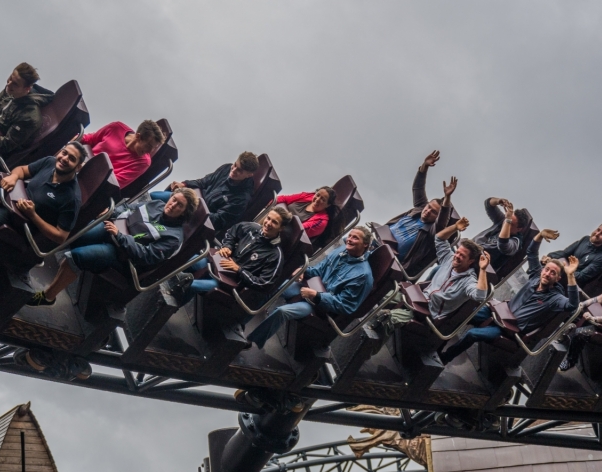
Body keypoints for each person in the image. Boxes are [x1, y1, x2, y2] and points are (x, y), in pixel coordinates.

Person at [26, 188, 200, 307]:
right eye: (174, 199)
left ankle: (48, 297)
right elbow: (128, 208)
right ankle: (32, 259)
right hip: (114, 231)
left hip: (124, 257)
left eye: (179, 205)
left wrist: (121, 237)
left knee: (77, 256)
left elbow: (146, 256)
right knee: (76, 233)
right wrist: (112, 213)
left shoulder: (174, 237)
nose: (173, 205)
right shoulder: (157, 205)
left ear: (184, 212)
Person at [439, 228, 579, 364]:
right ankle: (437, 345)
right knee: (461, 311)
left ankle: (445, 358)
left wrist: (571, 275)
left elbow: (572, 305)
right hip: (498, 312)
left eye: (552, 273)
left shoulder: (556, 298)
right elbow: (531, 252)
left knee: (472, 334)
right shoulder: (536, 276)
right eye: (546, 270)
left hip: (508, 330)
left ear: (558, 278)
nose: (547, 274)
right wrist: (540, 236)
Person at [246, 227, 375, 349]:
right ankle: (244, 320)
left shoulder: (363, 276)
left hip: (320, 307)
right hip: (308, 288)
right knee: (275, 286)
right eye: (350, 236)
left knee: (282, 312)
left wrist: (317, 296)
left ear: (365, 245)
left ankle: (251, 341)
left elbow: (346, 305)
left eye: (355, 238)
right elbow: (319, 269)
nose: (349, 240)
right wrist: (304, 271)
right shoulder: (340, 251)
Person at [0, 141, 87, 252]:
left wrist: (33, 215)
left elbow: (61, 236)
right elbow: (23, 170)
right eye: (64, 153)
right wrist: (13, 177)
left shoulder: (72, 198)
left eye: (72, 159)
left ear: (78, 167)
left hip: (22, 219)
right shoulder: (50, 162)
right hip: (14, 194)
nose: (64, 159)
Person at [171, 205, 291, 303]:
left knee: (190, 285)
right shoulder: (252, 228)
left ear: (281, 228)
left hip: (228, 282)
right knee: (188, 260)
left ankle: (170, 306)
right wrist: (227, 246)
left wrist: (239, 270)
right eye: (268, 218)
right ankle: (161, 281)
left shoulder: (275, 255)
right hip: (216, 263)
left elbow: (264, 284)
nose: (268, 223)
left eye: (274, 222)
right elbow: (233, 232)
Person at [153, 152, 259, 232]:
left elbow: (217, 221)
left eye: (239, 170)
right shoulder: (227, 168)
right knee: (155, 196)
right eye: (235, 165)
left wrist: (192, 209)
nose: (233, 170)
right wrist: (185, 184)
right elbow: (204, 182)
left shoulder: (241, 200)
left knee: (166, 213)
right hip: (192, 202)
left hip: (198, 219)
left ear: (249, 175)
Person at [382, 150, 453, 260]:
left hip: (390, 257)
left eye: (434, 212)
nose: (428, 211)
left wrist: (447, 198)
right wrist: (425, 166)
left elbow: (443, 220)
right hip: (380, 238)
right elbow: (418, 187)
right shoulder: (420, 208)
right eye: (429, 207)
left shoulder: (432, 230)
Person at [421, 218, 490, 323]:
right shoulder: (449, 259)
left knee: (390, 316)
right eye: (457, 252)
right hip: (421, 298)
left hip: (429, 312)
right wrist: (455, 227)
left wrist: (483, 269)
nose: (456, 256)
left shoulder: (468, 281)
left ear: (470, 261)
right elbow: (439, 238)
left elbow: (480, 296)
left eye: (462, 256)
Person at [80, 120, 164, 189]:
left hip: (92, 184)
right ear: (138, 137)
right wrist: (76, 139)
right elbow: (91, 139)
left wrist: (87, 169)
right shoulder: (117, 127)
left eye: (153, 148)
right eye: (148, 146)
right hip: (81, 161)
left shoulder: (144, 162)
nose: (149, 151)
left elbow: (114, 183)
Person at [545, 222, 602, 287]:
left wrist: (561, 269)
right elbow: (564, 253)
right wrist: (549, 256)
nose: (597, 234)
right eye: (598, 230)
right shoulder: (585, 239)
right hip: (561, 272)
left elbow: (581, 277)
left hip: (569, 283)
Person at [474, 198, 533, 268]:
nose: (505, 223)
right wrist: (499, 201)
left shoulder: (515, 242)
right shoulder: (502, 220)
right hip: (471, 247)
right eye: (506, 219)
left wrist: (508, 219)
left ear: (519, 229)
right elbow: (488, 205)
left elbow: (503, 245)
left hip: (478, 263)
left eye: (511, 223)